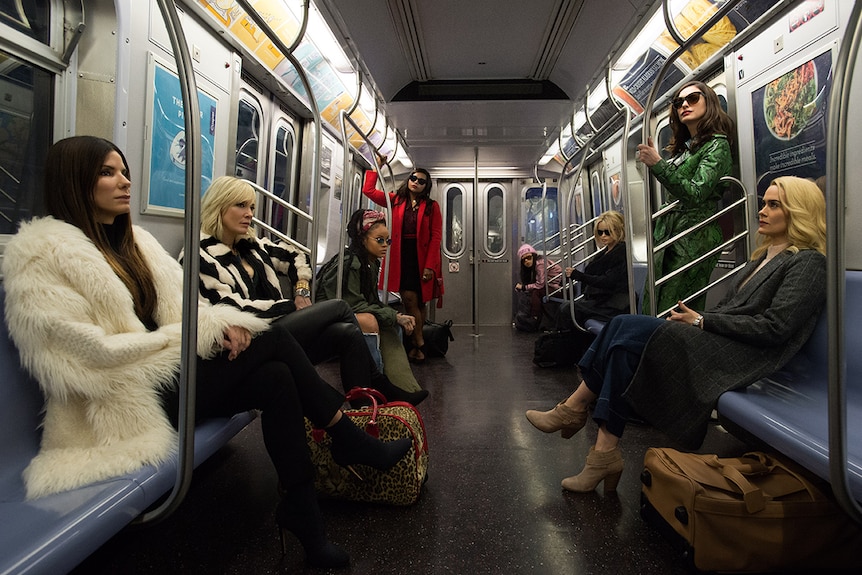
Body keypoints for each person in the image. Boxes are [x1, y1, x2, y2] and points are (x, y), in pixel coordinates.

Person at [2, 136, 414, 569]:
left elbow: (185, 307)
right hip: (118, 399)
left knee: (276, 377)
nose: (124, 182)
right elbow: (81, 355)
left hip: (165, 377)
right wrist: (186, 342)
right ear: (74, 182)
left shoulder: (135, 243)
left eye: (124, 171)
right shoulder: (40, 257)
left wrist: (219, 327)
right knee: (271, 341)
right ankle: (346, 437)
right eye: (108, 173)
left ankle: (303, 509)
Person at [525, 176, 826, 493]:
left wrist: (702, 322)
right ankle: (602, 454)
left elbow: (775, 327)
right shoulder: (764, 257)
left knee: (624, 326)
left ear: (799, 211)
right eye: (764, 202)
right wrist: (699, 320)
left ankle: (573, 410)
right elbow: (731, 308)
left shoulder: (808, 263)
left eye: (773, 205)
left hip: (742, 357)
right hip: (722, 342)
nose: (762, 210)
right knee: (623, 347)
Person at [191, 175, 427, 405]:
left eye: (252, 207)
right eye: (241, 205)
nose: (250, 214)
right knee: (340, 307)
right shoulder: (202, 255)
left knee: (346, 332)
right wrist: (289, 306)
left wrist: (301, 290)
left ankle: (364, 402)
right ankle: (379, 384)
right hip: (257, 336)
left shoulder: (253, 248)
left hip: (279, 327)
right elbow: (232, 307)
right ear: (219, 206)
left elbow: (296, 256)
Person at [637, 81, 735, 316]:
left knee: (675, 308)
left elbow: (696, 193)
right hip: (672, 234)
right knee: (657, 305)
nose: (684, 105)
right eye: (679, 102)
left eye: (693, 99)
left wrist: (659, 165)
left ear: (709, 102)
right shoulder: (685, 149)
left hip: (695, 235)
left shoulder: (717, 146)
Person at [316, 209, 423, 392]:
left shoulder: (370, 262)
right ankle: (376, 385)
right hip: (327, 316)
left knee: (391, 324)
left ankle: (403, 387)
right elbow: (353, 304)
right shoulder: (351, 263)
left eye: (387, 240)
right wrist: (393, 315)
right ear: (363, 238)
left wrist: (395, 316)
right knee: (371, 321)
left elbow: (371, 300)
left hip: (346, 309)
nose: (385, 245)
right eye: (379, 240)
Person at [362, 156, 443, 363]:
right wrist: (376, 167)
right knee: (409, 298)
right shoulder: (395, 200)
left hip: (422, 257)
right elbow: (368, 191)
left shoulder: (432, 207)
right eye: (413, 178)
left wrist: (430, 266)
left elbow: (435, 237)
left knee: (419, 302)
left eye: (421, 181)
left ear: (427, 186)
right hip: (402, 255)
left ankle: (417, 344)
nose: (416, 182)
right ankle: (419, 343)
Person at [556, 210, 629, 356]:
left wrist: (579, 276)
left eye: (607, 232)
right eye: (600, 232)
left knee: (567, 309)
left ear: (617, 231)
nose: (603, 236)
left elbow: (608, 282)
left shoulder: (621, 252)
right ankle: (572, 349)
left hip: (614, 304)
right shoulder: (605, 252)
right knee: (569, 308)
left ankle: (567, 352)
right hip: (601, 300)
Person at [515, 243, 561, 330]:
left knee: (536, 292)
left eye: (529, 258)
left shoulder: (540, 264)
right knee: (532, 292)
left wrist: (524, 287)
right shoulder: (534, 266)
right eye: (524, 260)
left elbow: (540, 284)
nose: (527, 261)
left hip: (558, 287)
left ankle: (534, 317)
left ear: (534, 256)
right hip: (549, 285)